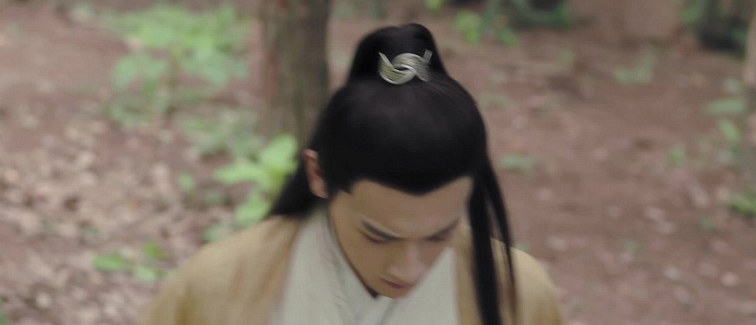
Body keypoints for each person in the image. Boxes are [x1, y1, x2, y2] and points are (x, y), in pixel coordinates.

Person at [139, 24, 563, 325]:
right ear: (318, 174)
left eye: (438, 235)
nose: (409, 269)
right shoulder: (219, 287)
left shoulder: (519, 295)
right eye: (379, 236)